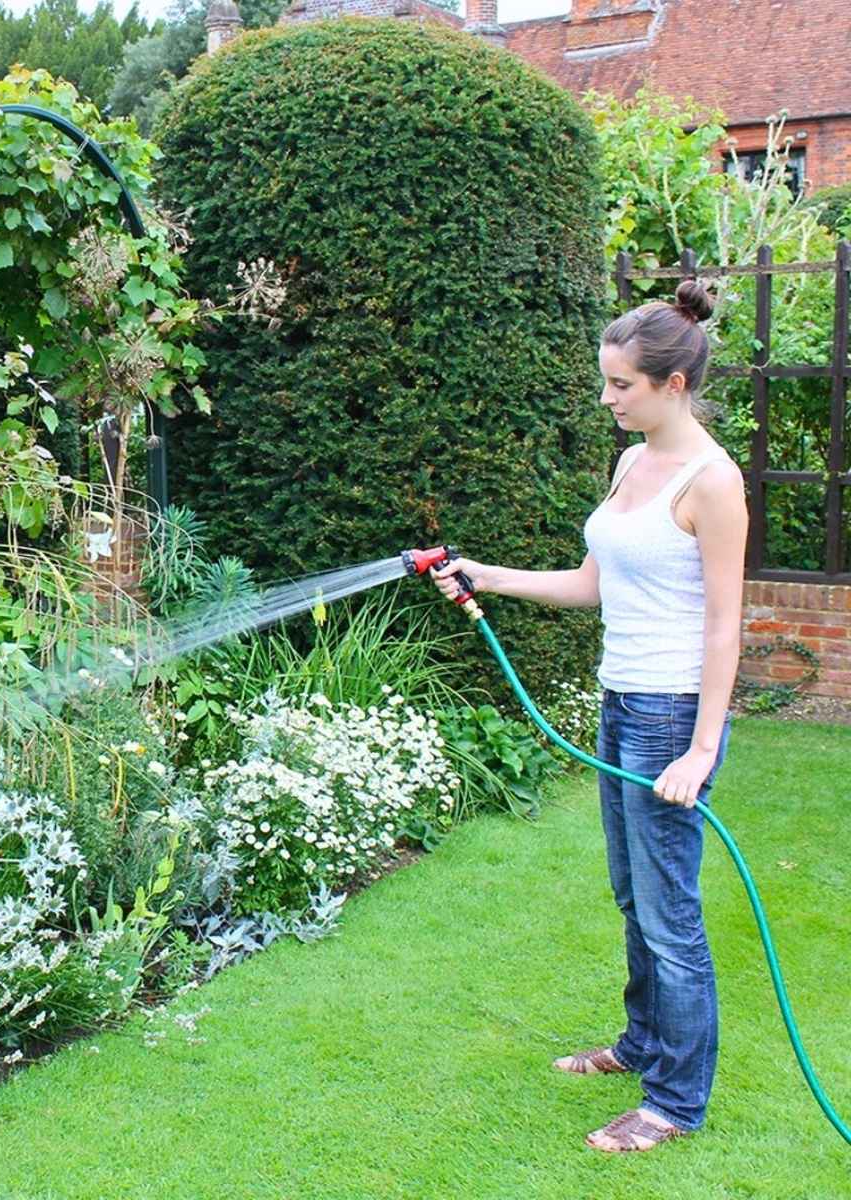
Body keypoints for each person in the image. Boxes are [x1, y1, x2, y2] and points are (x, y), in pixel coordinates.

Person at [432, 280, 748, 1152]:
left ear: (671, 385)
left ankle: (675, 1102)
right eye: (607, 382)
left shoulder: (711, 481)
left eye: (621, 386)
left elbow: (726, 624)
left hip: (670, 713)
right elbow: (592, 584)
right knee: (631, 897)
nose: (606, 398)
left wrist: (700, 747)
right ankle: (642, 1044)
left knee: (669, 913)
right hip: (620, 702)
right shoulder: (631, 461)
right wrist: (488, 574)